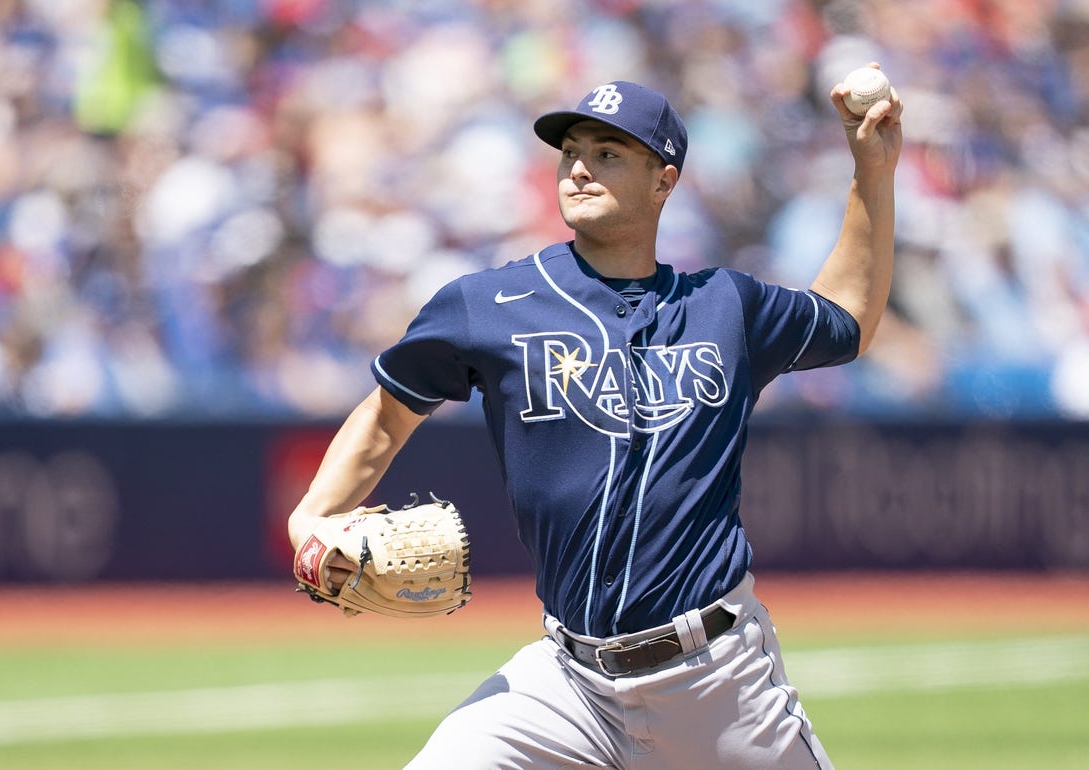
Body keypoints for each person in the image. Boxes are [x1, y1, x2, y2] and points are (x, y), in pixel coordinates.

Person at [288, 71, 902, 769]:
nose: (580, 166)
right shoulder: (487, 305)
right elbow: (386, 413)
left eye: (609, 153)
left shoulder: (727, 306)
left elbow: (849, 314)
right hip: (566, 684)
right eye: (571, 150)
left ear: (663, 182)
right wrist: (311, 515)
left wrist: (870, 172)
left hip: (717, 681)